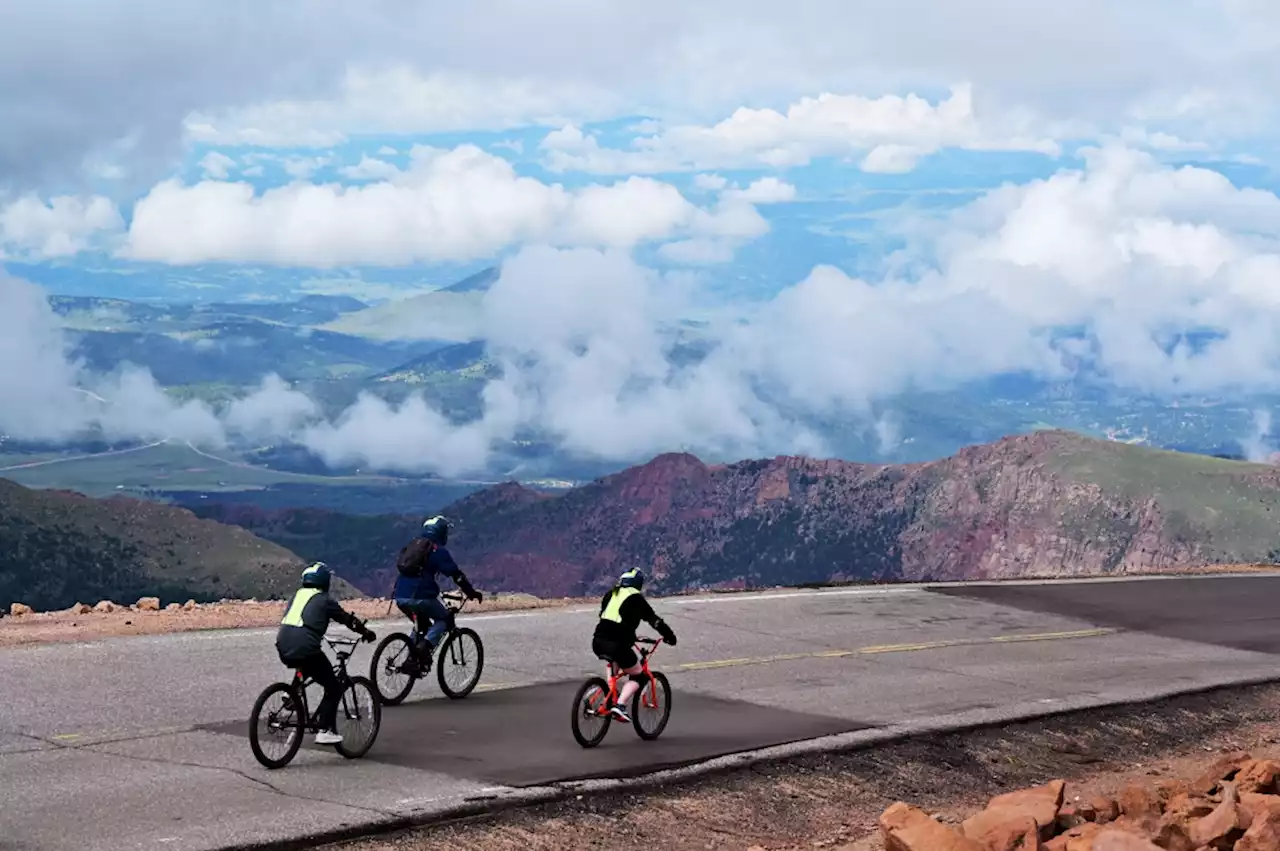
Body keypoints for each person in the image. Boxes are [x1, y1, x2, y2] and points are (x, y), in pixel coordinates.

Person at [275, 561, 375, 745]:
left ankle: (292, 693)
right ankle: (324, 730)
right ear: (325, 582)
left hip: (283, 644)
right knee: (333, 686)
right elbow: (347, 620)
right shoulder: (324, 600)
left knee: (307, 664)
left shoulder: (296, 596)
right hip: (305, 647)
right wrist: (365, 632)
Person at [392, 515, 483, 676]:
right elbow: (456, 575)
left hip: (400, 596)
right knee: (445, 619)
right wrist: (471, 592)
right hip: (421, 596)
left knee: (420, 624)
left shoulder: (413, 545)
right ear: (442, 533)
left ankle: (410, 661)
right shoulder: (437, 550)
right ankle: (424, 647)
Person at [591, 567, 677, 722]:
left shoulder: (611, 594)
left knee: (614, 661)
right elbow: (654, 620)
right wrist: (669, 636)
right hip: (618, 645)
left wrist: (630, 634)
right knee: (640, 675)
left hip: (598, 640)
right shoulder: (636, 598)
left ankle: (609, 695)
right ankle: (620, 705)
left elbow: (611, 618)